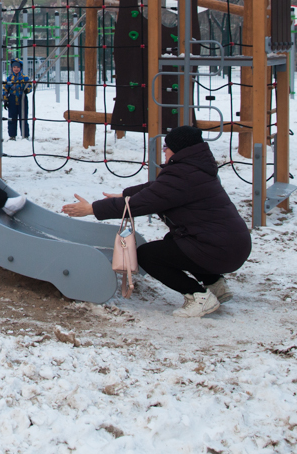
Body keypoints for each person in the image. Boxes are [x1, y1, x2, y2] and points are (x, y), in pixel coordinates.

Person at [61, 125, 250, 318]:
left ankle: (198, 296)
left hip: (220, 250)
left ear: (179, 149)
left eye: (166, 147)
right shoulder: (195, 169)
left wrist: (92, 209)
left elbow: (143, 203)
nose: (164, 151)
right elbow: (157, 189)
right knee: (173, 243)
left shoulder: (181, 175)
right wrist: (125, 195)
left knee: (147, 256)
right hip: (233, 245)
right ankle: (215, 285)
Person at [2, 59, 32, 140]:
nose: (16, 69)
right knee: (12, 118)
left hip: (22, 99)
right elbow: (5, 89)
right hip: (12, 99)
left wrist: (27, 90)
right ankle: (12, 135)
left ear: (20, 68)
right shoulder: (9, 79)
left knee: (23, 117)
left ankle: (25, 135)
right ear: (11, 68)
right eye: (14, 67)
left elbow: (30, 86)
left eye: (17, 67)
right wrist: (5, 100)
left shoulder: (25, 78)